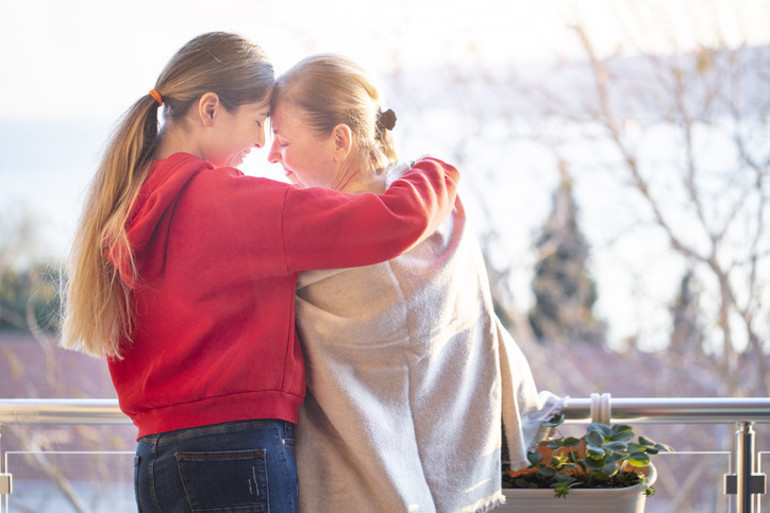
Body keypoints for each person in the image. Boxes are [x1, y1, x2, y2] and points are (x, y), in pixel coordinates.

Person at [59, 33, 459, 513]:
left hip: (157, 460)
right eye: (257, 122)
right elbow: (388, 223)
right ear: (210, 109)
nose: (259, 142)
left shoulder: (129, 199)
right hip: (235, 456)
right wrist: (436, 170)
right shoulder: (227, 202)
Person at [268, 54, 563, 513]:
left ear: (340, 140)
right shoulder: (442, 209)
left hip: (357, 494)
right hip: (463, 478)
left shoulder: (312, 257)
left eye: (283, 142)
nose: (271, 156)